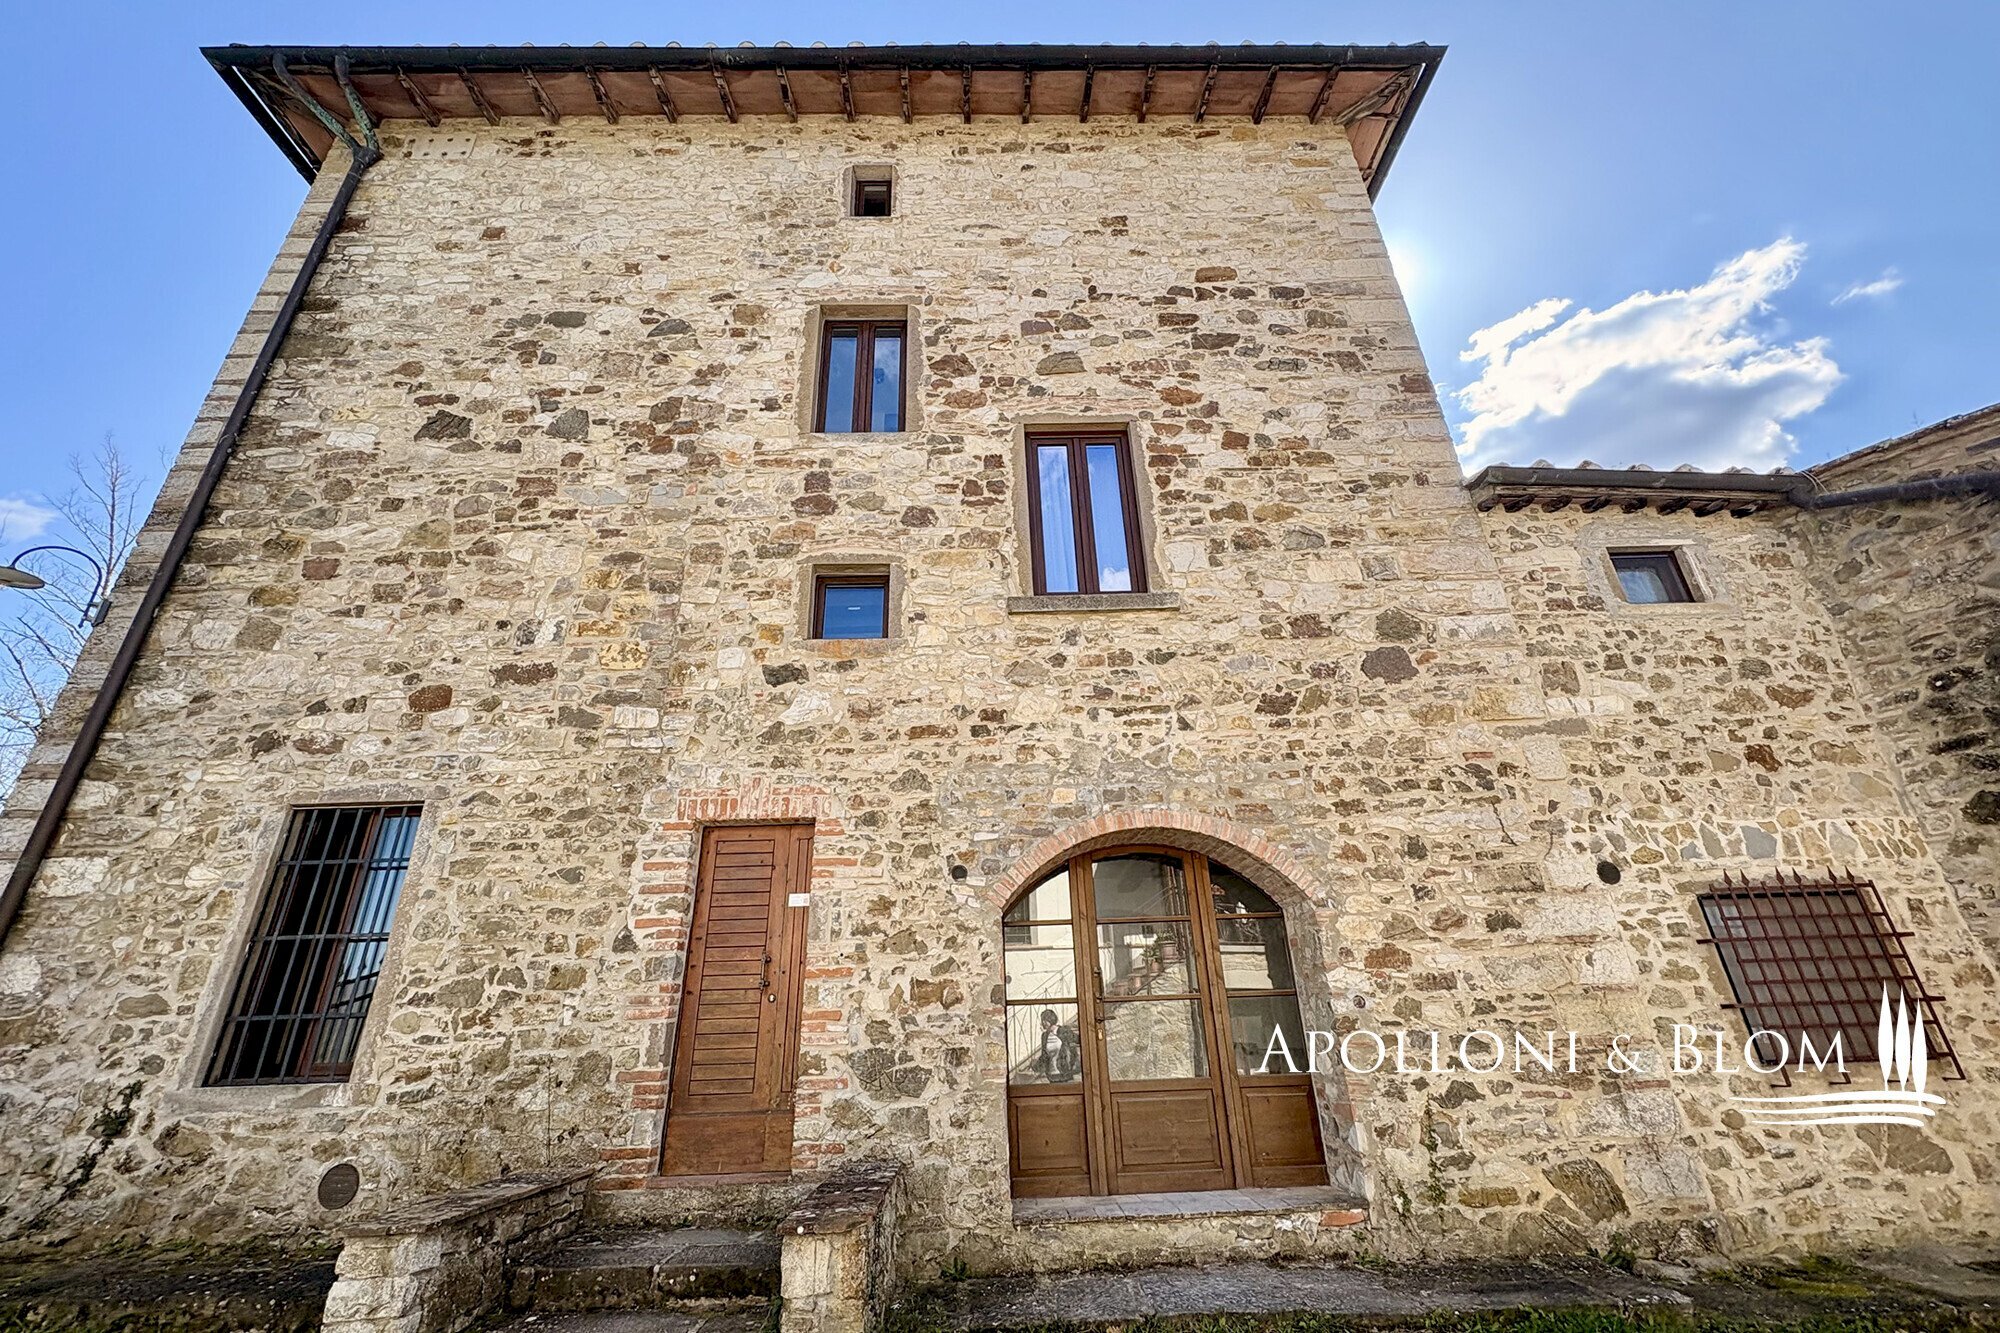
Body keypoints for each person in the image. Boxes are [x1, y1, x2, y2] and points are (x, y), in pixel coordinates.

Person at [1036, 1007, 1080, 1083]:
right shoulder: (1044, 1036)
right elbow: (1044, 1055)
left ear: (1049, 1021)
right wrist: (1036, 1066)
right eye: (1042, 1020)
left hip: (1064, 1073)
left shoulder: (1063, 1031)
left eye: (1044, 1020)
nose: (1042, 1023)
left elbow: (1078, 1039)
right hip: (1051, 1075)